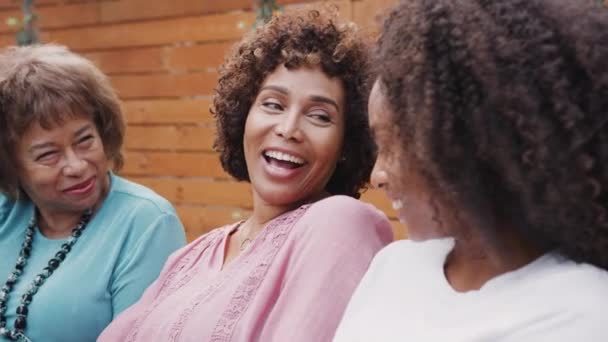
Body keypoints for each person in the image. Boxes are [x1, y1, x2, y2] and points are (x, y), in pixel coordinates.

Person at [99, 7, 393, 342]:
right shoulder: (194, 254)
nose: (288, 129)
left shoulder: (339, 224)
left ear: (346, 143)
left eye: (320, 116)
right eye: (273, 104)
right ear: (243, 116)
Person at [333, 0, 608, 341]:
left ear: (474, 146)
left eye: (394, 145)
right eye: (378, 145)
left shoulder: (580, 313)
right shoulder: (394, 265)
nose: (378, 175)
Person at [0, 44, 186, 342]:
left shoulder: (145, 221)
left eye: (85, 140)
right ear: (10, 165)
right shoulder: (7, 210)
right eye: (48, 154)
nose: (76, 165)